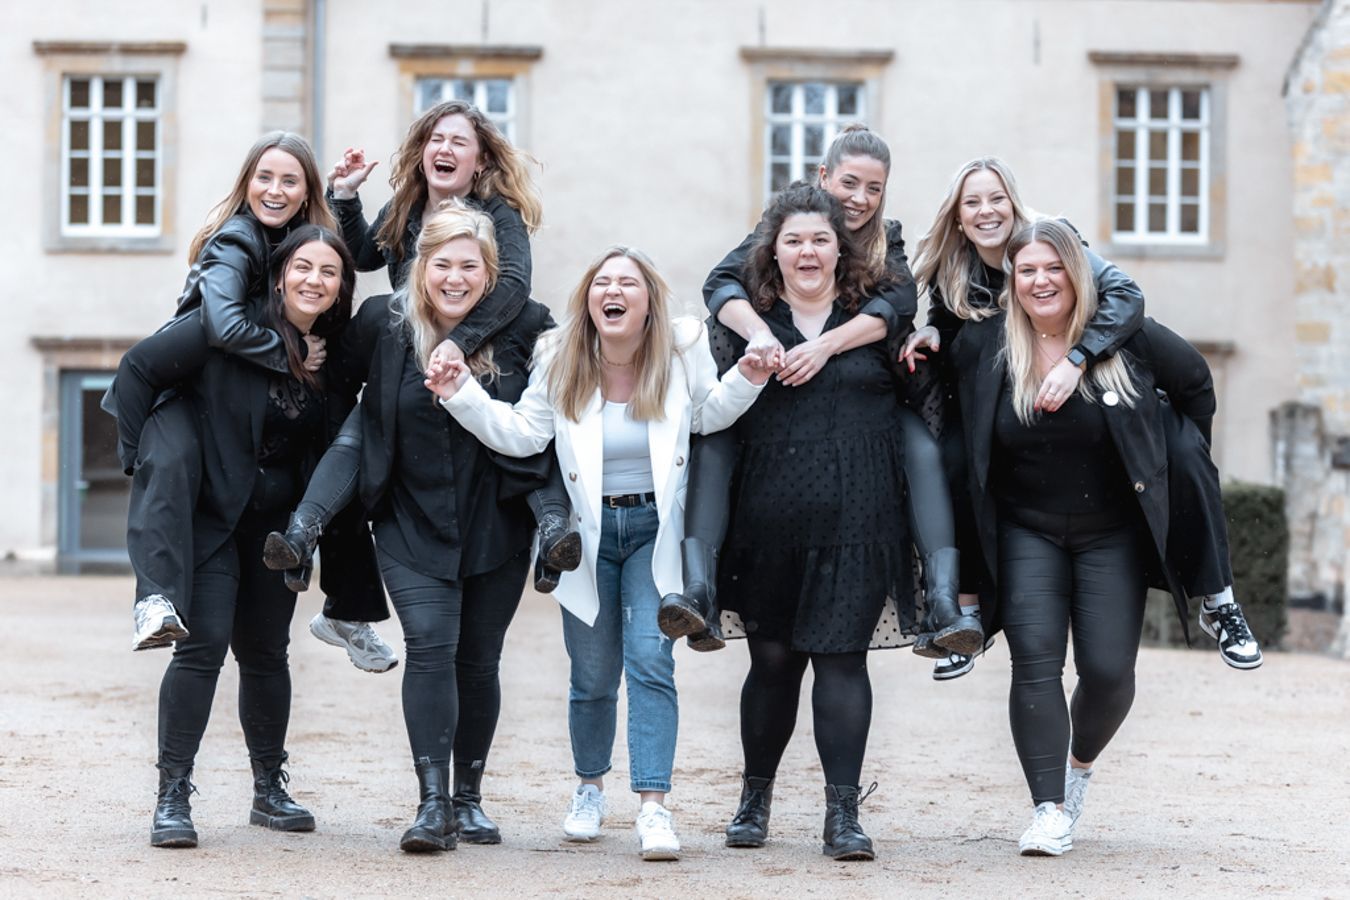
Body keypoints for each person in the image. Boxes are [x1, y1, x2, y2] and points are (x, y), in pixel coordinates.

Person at [429, 246, 770, 860]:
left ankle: (653, 806)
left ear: (648, 302)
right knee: (591, 676)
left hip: (654, 531)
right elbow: (524, 433)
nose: (613, 291)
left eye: (627, 283)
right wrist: (462, 395)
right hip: (585, 539)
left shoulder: (681, 349)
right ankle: (589, 788)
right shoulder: (559, 354)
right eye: (602, 283)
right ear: (589, 300)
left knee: (650, 662)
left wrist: (747, 378)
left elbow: (706, 416)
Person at [905, 156, 1261, 677]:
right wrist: (932, 330)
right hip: (1003, 397)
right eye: (972, 202)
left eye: (996, 198)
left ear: (1014, 203)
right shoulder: (953, 267)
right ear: (957, 217)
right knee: (958, 461)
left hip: (1094, 370)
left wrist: (1078, 360)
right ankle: (964, 614)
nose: (986, 211)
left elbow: (1127, 296)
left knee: (1185, 452)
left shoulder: (1051, 241)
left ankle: (1220, 601)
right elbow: (948, 321)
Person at [949, 218, 1234, 855]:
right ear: (1012, 281)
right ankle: (1048, 808)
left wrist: (1179, 463)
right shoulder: (986, 345)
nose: (1040, 281)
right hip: (1026, 529)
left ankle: (1077, 768)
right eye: (1027, 271)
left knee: (1108, 673)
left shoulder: (1126, 339)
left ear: (1077, 273)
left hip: (1112, 534)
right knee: (1035, 662)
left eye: (1053, 268)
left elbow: (1196, 385)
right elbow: (949, 420)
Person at [307, 204, 554, 852]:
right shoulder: (383, 323)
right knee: (429, 647)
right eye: (442, 263)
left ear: (489, 272)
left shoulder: (529, 326)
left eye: (469, 266)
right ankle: (432, 803)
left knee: (478, 660)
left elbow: (549, 424)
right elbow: (333, 385)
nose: (454, 277)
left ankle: (468, 798)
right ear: (421, 268)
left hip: (497, 522)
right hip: (408, 519)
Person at [677, 124, 975, 658]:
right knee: (715, 439)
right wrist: (760, 334)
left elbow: (899, 304)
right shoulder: (788, 219)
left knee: (923, 449)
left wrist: (825, 346)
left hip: (865, 390)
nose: (860, 199)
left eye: (874, 188)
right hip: (773, 388)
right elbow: (720, 282)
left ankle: (944, 600)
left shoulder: (886, 240)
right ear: (823, 176)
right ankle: (698, 590)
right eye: (849, 183)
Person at [289, 99, 581, 614]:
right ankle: (304, 530)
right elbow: (364, 255)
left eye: (458, 142)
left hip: (486, 348)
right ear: (423, 152)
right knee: (365, 428)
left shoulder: (498, 212)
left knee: (519, 425)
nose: (444, 149)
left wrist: (459, 342)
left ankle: (552, 527)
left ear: (481, 161)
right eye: (436, 139)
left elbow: (514, 285)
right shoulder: (409, 203)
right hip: (409, 348)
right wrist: (345, 196)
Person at [109, 131, 387, 670]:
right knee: (167, 463)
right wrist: (291, 352)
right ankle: (154, 599)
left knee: (338, 451)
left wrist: (345, 196)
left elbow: (339, 257)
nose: (275, 190)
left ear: (306, 193)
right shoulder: (237, 240)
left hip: (250, 381)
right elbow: (222, 325)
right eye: (265, 177)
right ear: (247, 183)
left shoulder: (296, 240)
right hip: (193, 382)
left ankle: (348, 608)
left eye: (290, 181)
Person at [709, 182, 917, 862]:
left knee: (842, 660)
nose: (807, 251)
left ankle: (843, 816)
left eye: (820, 239)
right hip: (767, 520)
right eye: (793, 240)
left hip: (860, 520)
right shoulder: (746, 323)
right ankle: (754, 801)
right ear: (772, 250)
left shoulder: (873, 321)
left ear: (840, 249)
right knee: (771, 661)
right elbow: (711, 411)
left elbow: (923, 396)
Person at [147, 225, 355, 848]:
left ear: (341, 286)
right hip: (214, 520)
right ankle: (172, 794)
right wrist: (143, 459)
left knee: (266, 654)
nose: (314, 280)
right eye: (303, 267)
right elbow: (143, 372)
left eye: (329, 272)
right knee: (202, 648)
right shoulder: (231, 331)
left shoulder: (333, 354)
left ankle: (269, 789)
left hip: (277, 530)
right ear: (280, 275)